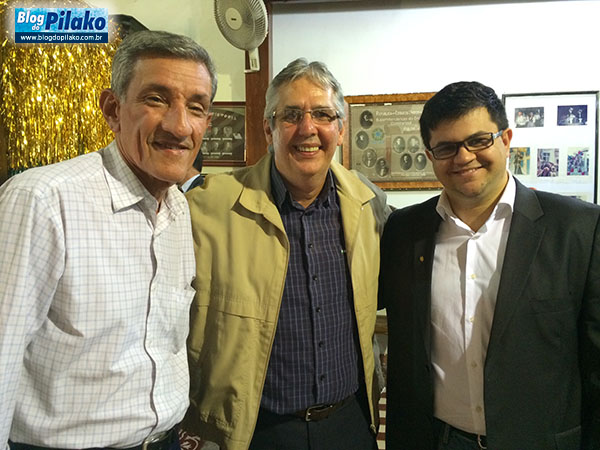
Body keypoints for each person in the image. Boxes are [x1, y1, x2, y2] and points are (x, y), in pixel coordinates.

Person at [0, 30, 217, 450]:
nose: (179, 125)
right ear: (113, 110)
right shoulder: (42, 200)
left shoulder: (178, 208)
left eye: (196, 107)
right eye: (156, 99)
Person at [379, 81, 600, 450]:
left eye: (478, 140)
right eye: (446, 147)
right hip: (436, 439)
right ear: (431, 155)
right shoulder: (403, 231)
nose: (463, 157)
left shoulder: (578, 229)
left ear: (506, 139)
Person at [182, 58, 388, 450]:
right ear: (268, 129)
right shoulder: (210, 207)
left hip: (349, 424)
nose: (308, 128)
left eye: (323, 115)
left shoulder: (369, 205)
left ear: (341, 129)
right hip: (255, 432)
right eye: (291, 115)